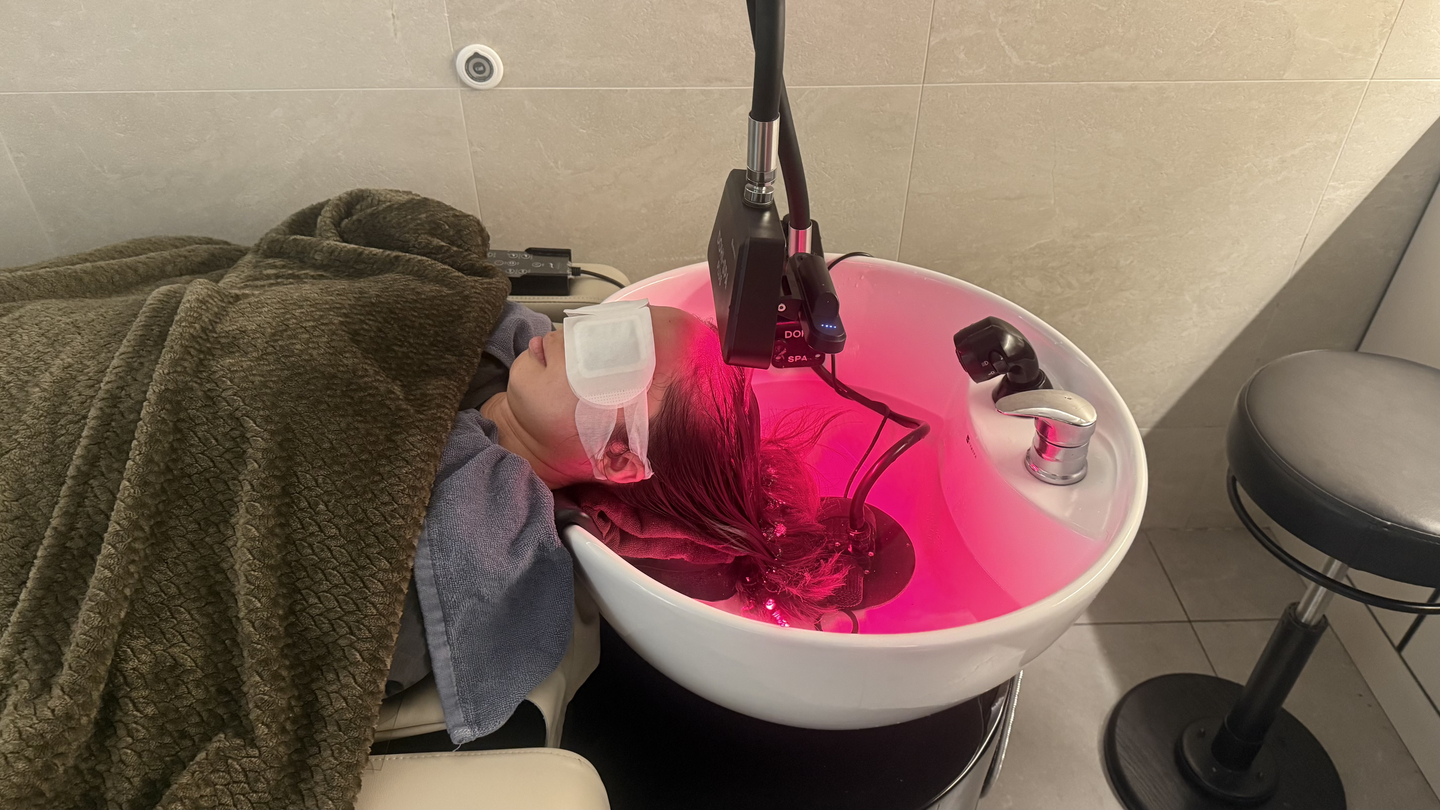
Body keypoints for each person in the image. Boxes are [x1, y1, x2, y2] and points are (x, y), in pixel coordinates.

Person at [389, 301, 857, 743]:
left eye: (610, 356)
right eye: (609, 323)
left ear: (617, 458)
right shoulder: (498, 330)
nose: (572, 332)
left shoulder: (470, 535)